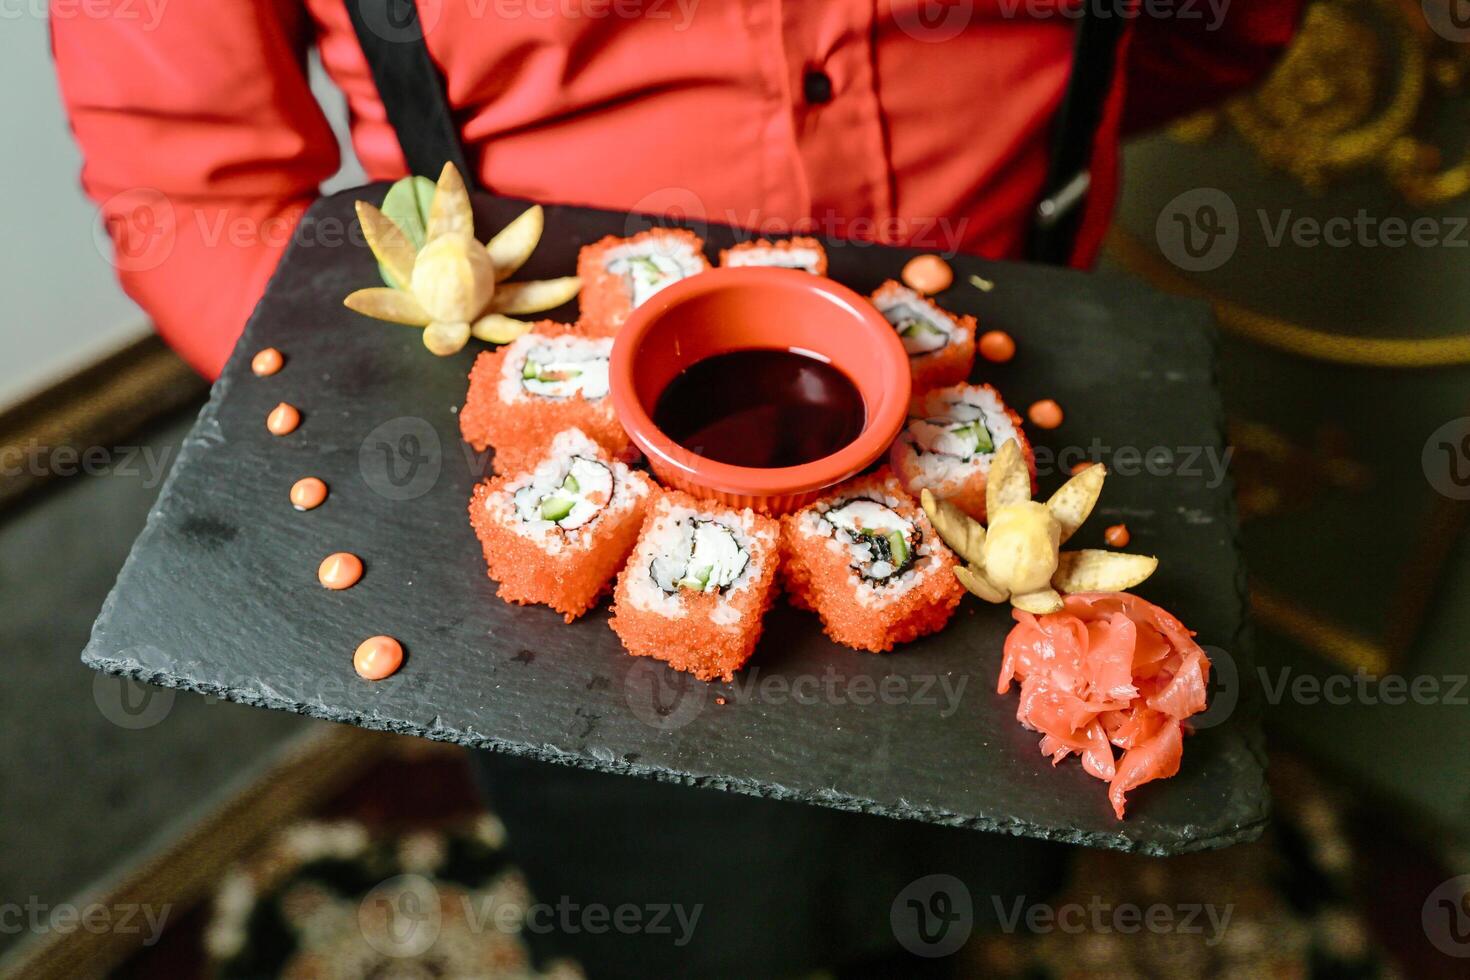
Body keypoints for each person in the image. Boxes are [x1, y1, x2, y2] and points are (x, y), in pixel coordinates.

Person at [52, 2, 1300, 975]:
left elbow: (1219, 32)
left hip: (1001, 451)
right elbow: (190, 181)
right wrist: (402, 431)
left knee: (963, 891)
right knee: (671, 921)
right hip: (575, 588)